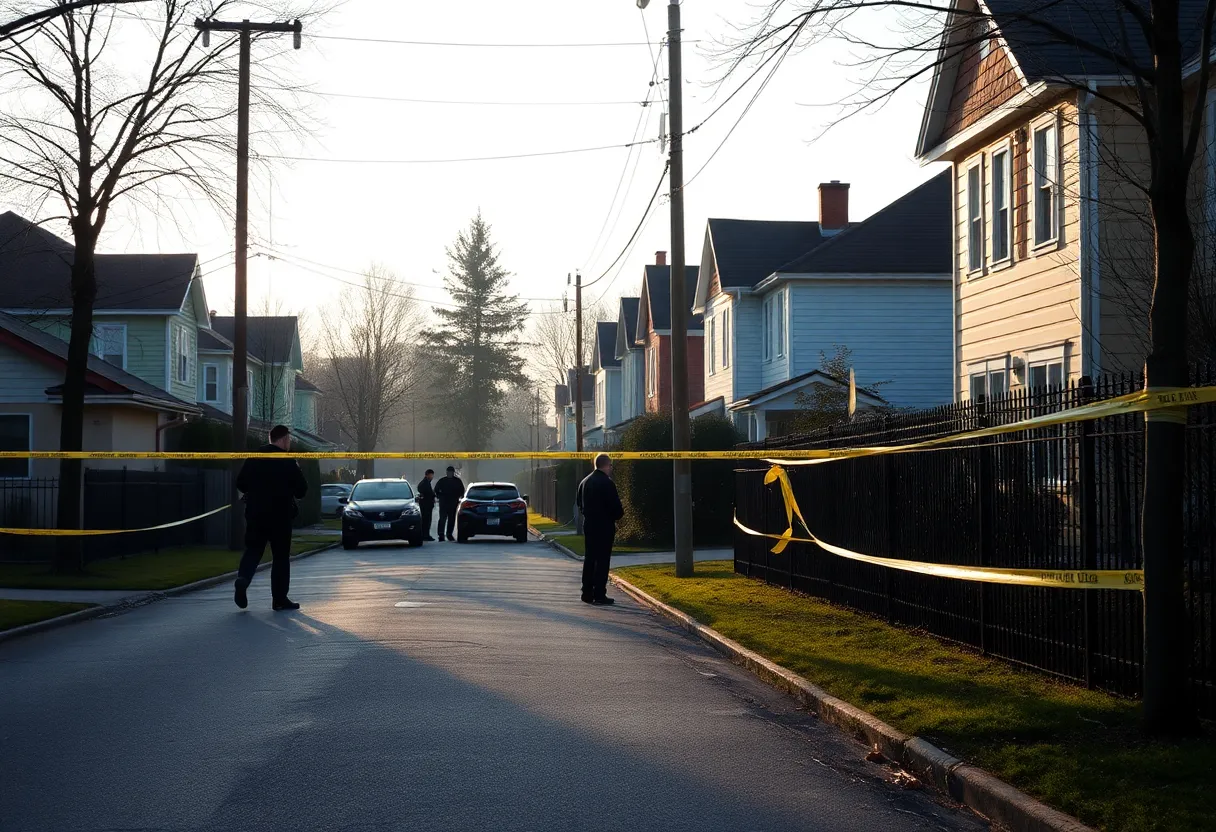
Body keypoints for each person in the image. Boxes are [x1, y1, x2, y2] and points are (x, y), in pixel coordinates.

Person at [234, 424, 308, 611]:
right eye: (289, 439)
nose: (289, 443)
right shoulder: (288, 460)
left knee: (253, 550)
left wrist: (254, 491)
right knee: (281, 557)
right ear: (283, 439)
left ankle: (243, 579)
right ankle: (279, 599)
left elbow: (241, 482)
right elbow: (302, 490)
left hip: (256, 514)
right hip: (280, 516)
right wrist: (296, 470)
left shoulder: (256, 456)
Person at [576, 453, 624, 606]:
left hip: (589, 524)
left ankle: (587, 592)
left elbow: (579, 503)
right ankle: (599, 594)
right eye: (610, 465)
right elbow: (616, 508)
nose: (611, 468)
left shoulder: (584, 482)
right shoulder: (607, 483)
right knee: (602, 560)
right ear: (606, 465)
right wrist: (617, 515)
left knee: (590, 558)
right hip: (604, 525)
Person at [433, 465, 465, 542]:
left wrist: (460, 497)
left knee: (451, 519)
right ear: (447, 473)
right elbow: (436, 489)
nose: (450, 473)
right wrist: (439, 496)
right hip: (444, 502)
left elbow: (462, 490)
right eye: (449, 472)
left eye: (451, 472)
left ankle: (449, 534)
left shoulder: (457, 481)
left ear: (453, 473)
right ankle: (441, 534)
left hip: (453, 503)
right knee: (442, 519)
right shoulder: (442, 481)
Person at [416, 469, 437, 541]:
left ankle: (425, 535)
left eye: (432, 475)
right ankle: (425, 535)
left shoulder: (427, 482)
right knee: (426, 521)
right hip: (426, 505)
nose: (432, 477)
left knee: (427, 520)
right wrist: (432, 495)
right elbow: (423, 490)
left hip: (427, 504)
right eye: (431, 475)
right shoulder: (425, 483)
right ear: (427, 475)